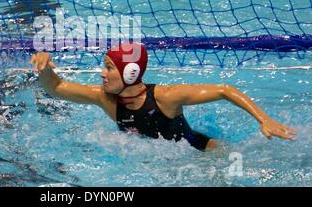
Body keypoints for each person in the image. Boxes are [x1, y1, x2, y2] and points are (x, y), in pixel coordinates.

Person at [30, 42, 296, 151]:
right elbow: (56, 88)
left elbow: (225, 89)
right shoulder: (105, 99)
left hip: (201, 153)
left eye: (109, 68)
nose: (101, 74)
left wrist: (265, 120)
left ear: (130, 73)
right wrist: (44, 68)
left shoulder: (166, 97)